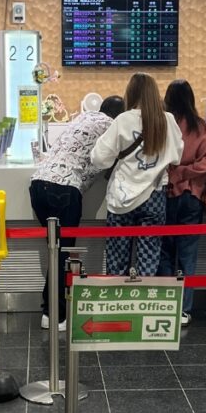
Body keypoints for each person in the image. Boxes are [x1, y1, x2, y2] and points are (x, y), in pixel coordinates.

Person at [29, 95, 125, 330]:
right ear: (119, 115)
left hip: (38, 185)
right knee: (63, 252)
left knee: (56, 250)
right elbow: (111, 159)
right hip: (64, 189)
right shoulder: (111, 126)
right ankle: (56, 314)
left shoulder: (82, 118)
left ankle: (49, 310)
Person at [91, 72, 183, 276]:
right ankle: (143, 306)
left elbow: (99, 158)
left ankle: (117, 304)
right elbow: (177, 156)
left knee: (117, 261)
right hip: (155, 196)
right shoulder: (168, 120)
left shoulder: (123, 120)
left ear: (130, 93)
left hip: (121, 199)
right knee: (149, 262)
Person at [157, 79, 206, 325]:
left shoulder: (163, 124)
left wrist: (176, 172)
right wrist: (190, 171)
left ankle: (164, 304)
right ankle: (184, 309)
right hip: (192, 196)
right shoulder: (203, 127)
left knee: (163, 250)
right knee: (187, 252)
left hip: (166, 193)